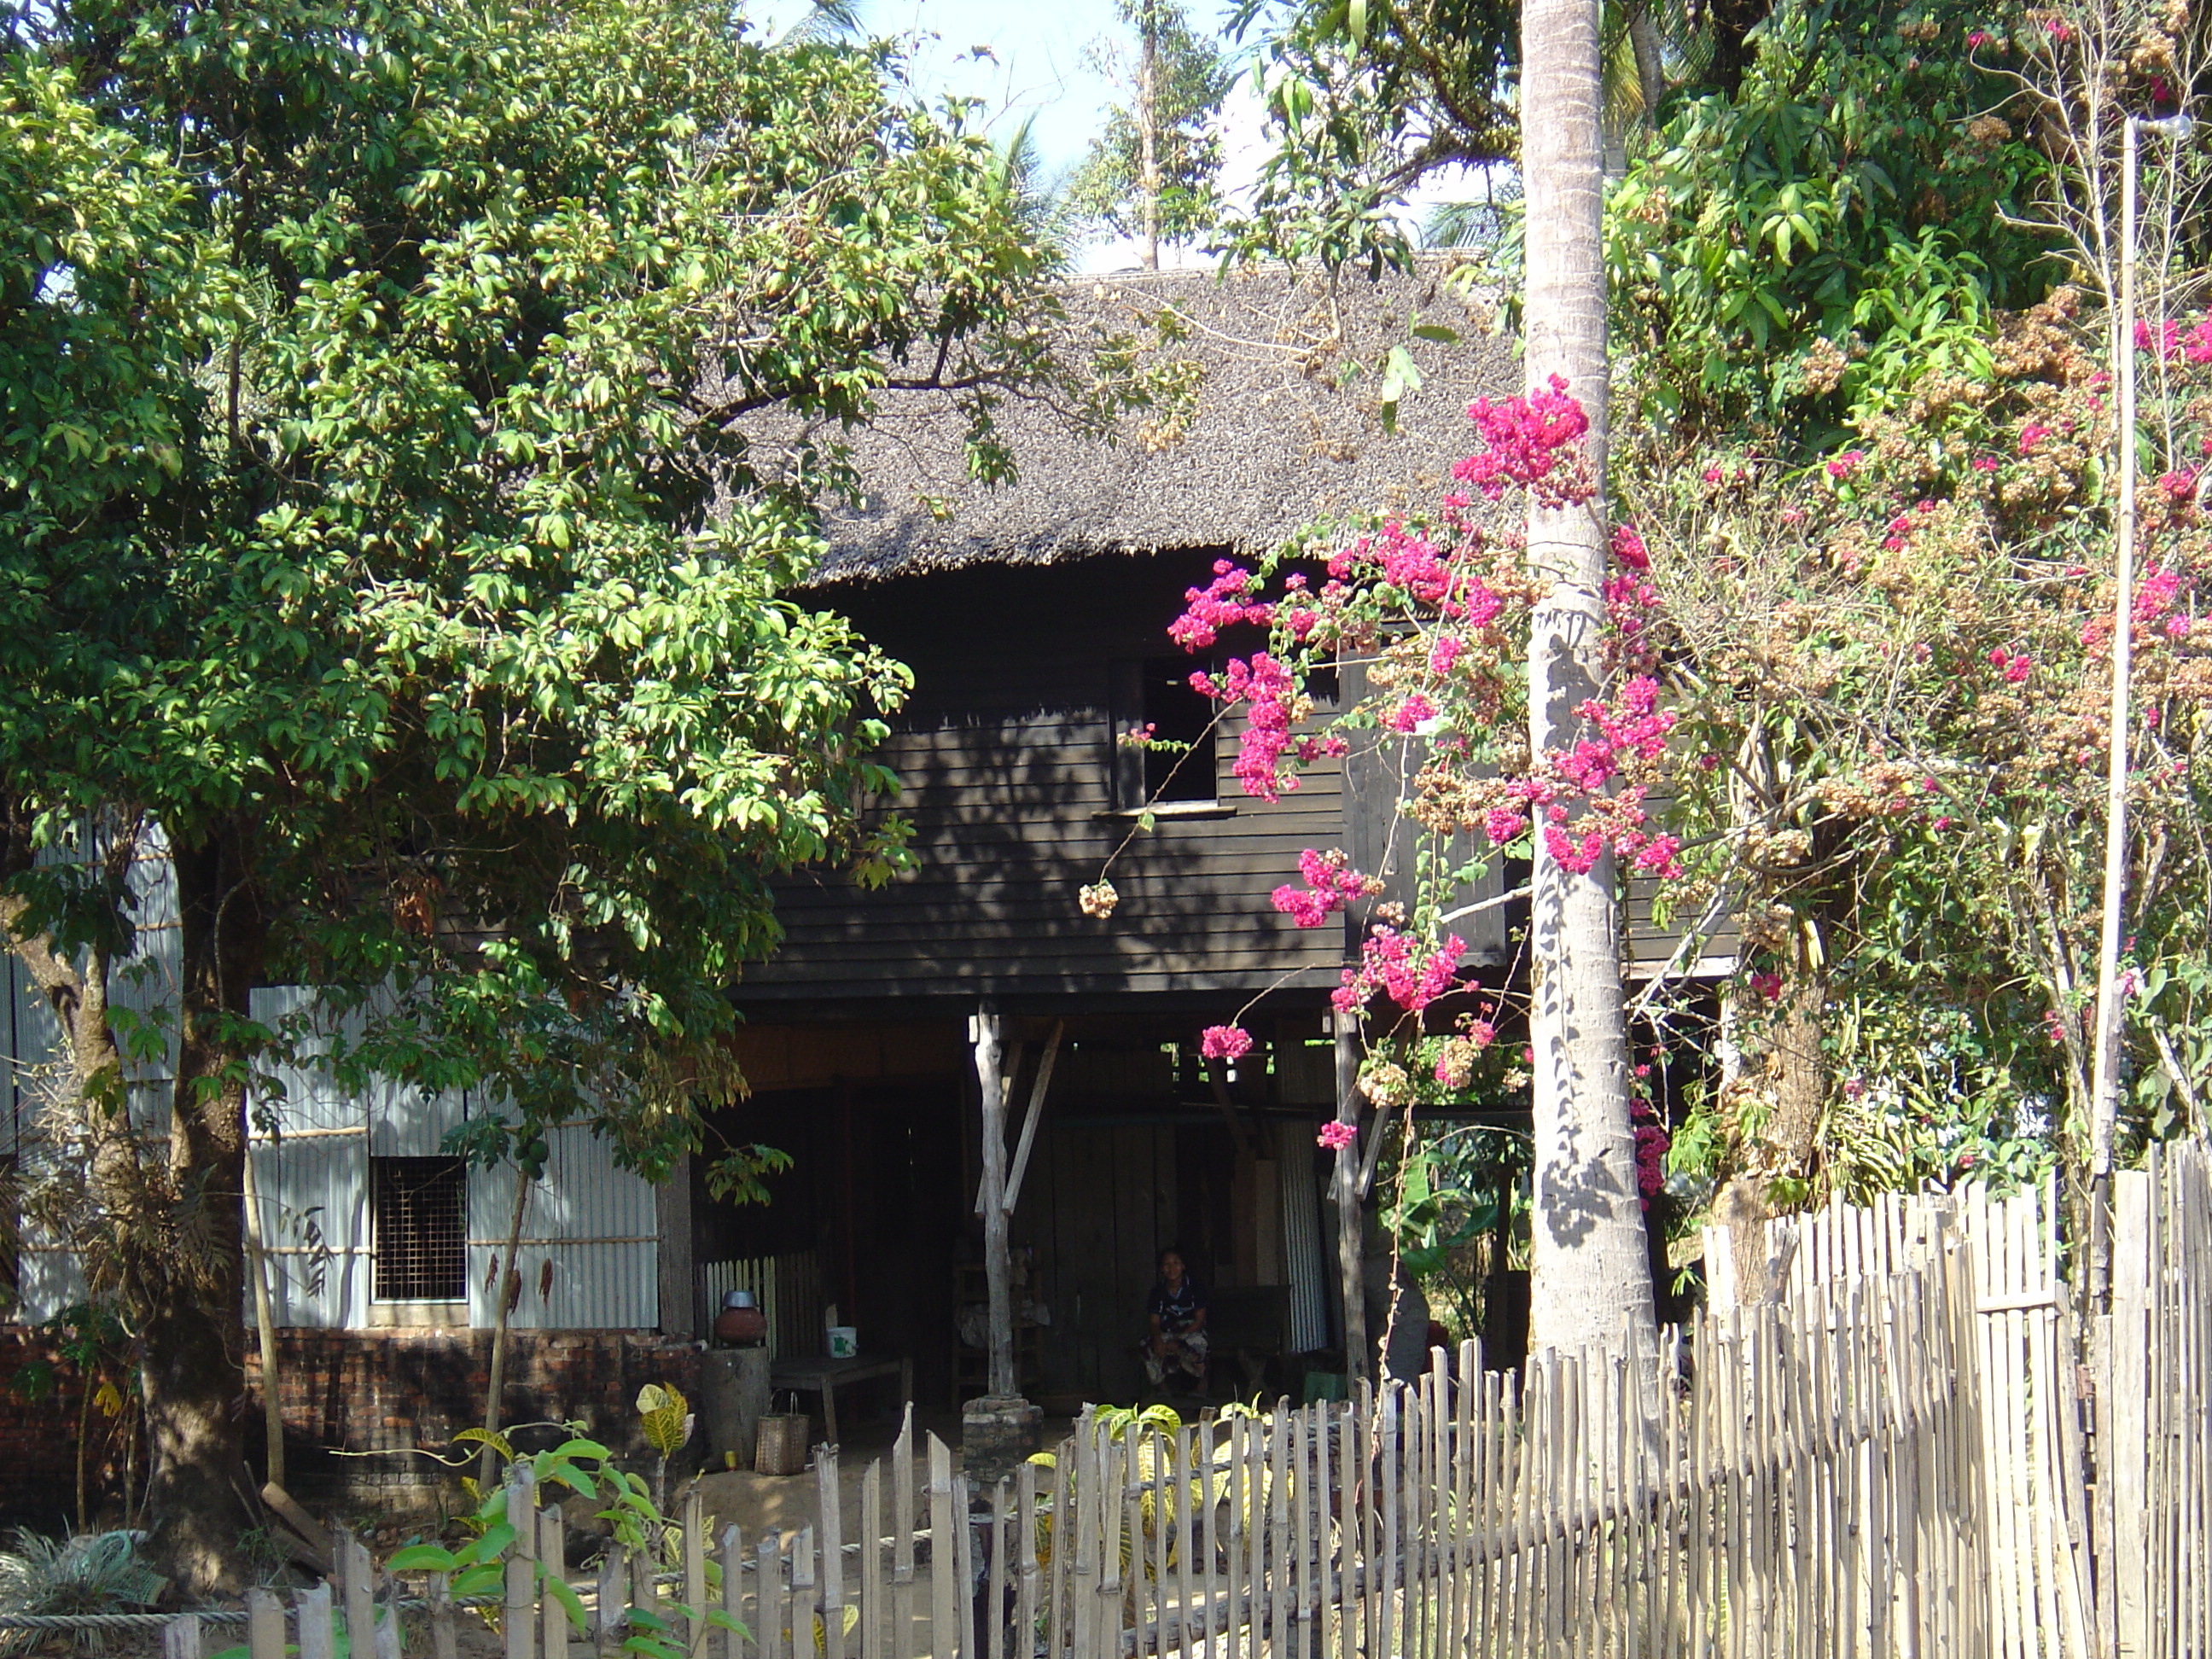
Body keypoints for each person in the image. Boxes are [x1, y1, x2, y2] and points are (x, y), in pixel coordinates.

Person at [1144, 1248, 1208, 1394]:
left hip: (1191, 1330)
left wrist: (1178, 1340)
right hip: (1168, 1331)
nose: (1171, 1268)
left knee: (1197, 1345)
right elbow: (1154, 1322)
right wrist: (1158, 1339)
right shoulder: (1158, 1292)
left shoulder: (1195, 1288)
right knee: (1147, 1346)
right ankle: (1163, 1390)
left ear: (1183, 1266)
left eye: (1176, 1263)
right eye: (1167, 1265)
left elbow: (1199, 1320)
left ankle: (1202, 1381)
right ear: (1161, 1268)